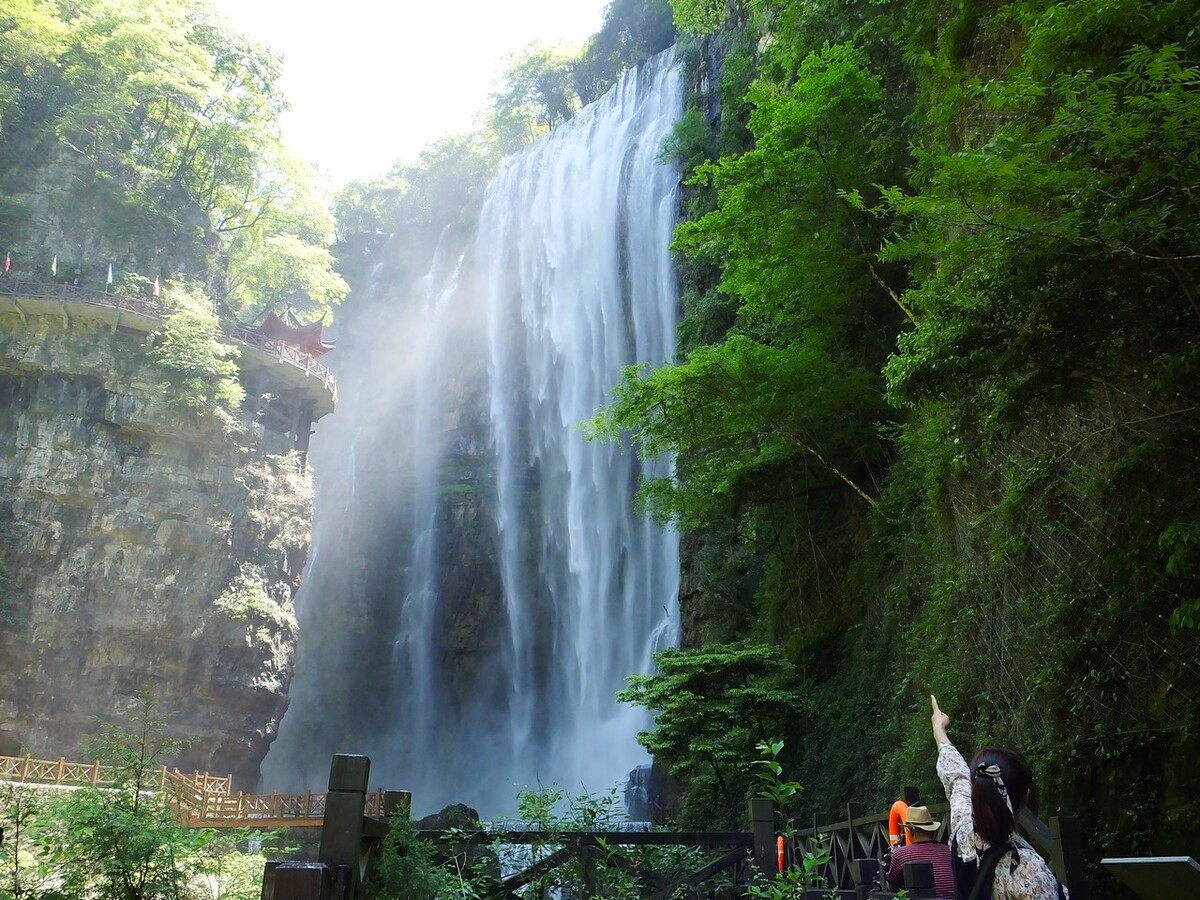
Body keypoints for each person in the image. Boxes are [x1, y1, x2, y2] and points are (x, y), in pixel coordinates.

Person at [930, 695, 1065, 899]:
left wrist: (938, 729)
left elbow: (957, 777)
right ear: (1026, 796)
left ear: (975, 791)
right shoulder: (1028, 870)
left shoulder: (963, 831)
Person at [885, 805, 956, 898]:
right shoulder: (949, 851)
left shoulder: (900, 854)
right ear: (932, 831)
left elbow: (893, 886)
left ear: (910, 832)